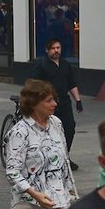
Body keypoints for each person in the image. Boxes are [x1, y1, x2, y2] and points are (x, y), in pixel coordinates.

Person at [4, 78, 77, 209]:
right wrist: (35, 194)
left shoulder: (56, 123)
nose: (54, 104)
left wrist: (70, 192)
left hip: (59, 200)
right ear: (34, 104)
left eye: (54, 99)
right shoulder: (20, 132)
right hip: (31, 203)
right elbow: (12, 172)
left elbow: (64, 161)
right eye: (49, 101)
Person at [29, 38, 83, 168]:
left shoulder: (65, 64)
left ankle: (65, 156)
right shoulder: (42, 65)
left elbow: (71, 83)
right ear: (47, 50)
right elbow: (34, 84)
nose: (56, 50)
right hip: (47, 105)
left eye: (58, 48)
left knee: (69, 128)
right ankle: (52, 158)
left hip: (64, 102)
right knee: (50, 131)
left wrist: (78, 100)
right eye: (53, 48)